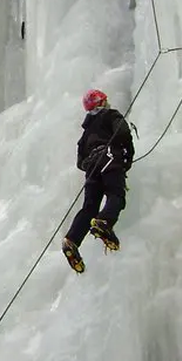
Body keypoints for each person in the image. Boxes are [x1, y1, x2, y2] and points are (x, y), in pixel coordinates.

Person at [62, 89, 134, 273]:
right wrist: (126, 158)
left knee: (89, 208)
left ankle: (72, 240)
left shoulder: (85, 134)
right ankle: (104, 222)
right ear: (101, 103)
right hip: (109, 158)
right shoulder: (111, 115)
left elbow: (80, 162)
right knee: (116, 195)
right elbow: (123, 133)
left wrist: (91, 164)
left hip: (92, 169)